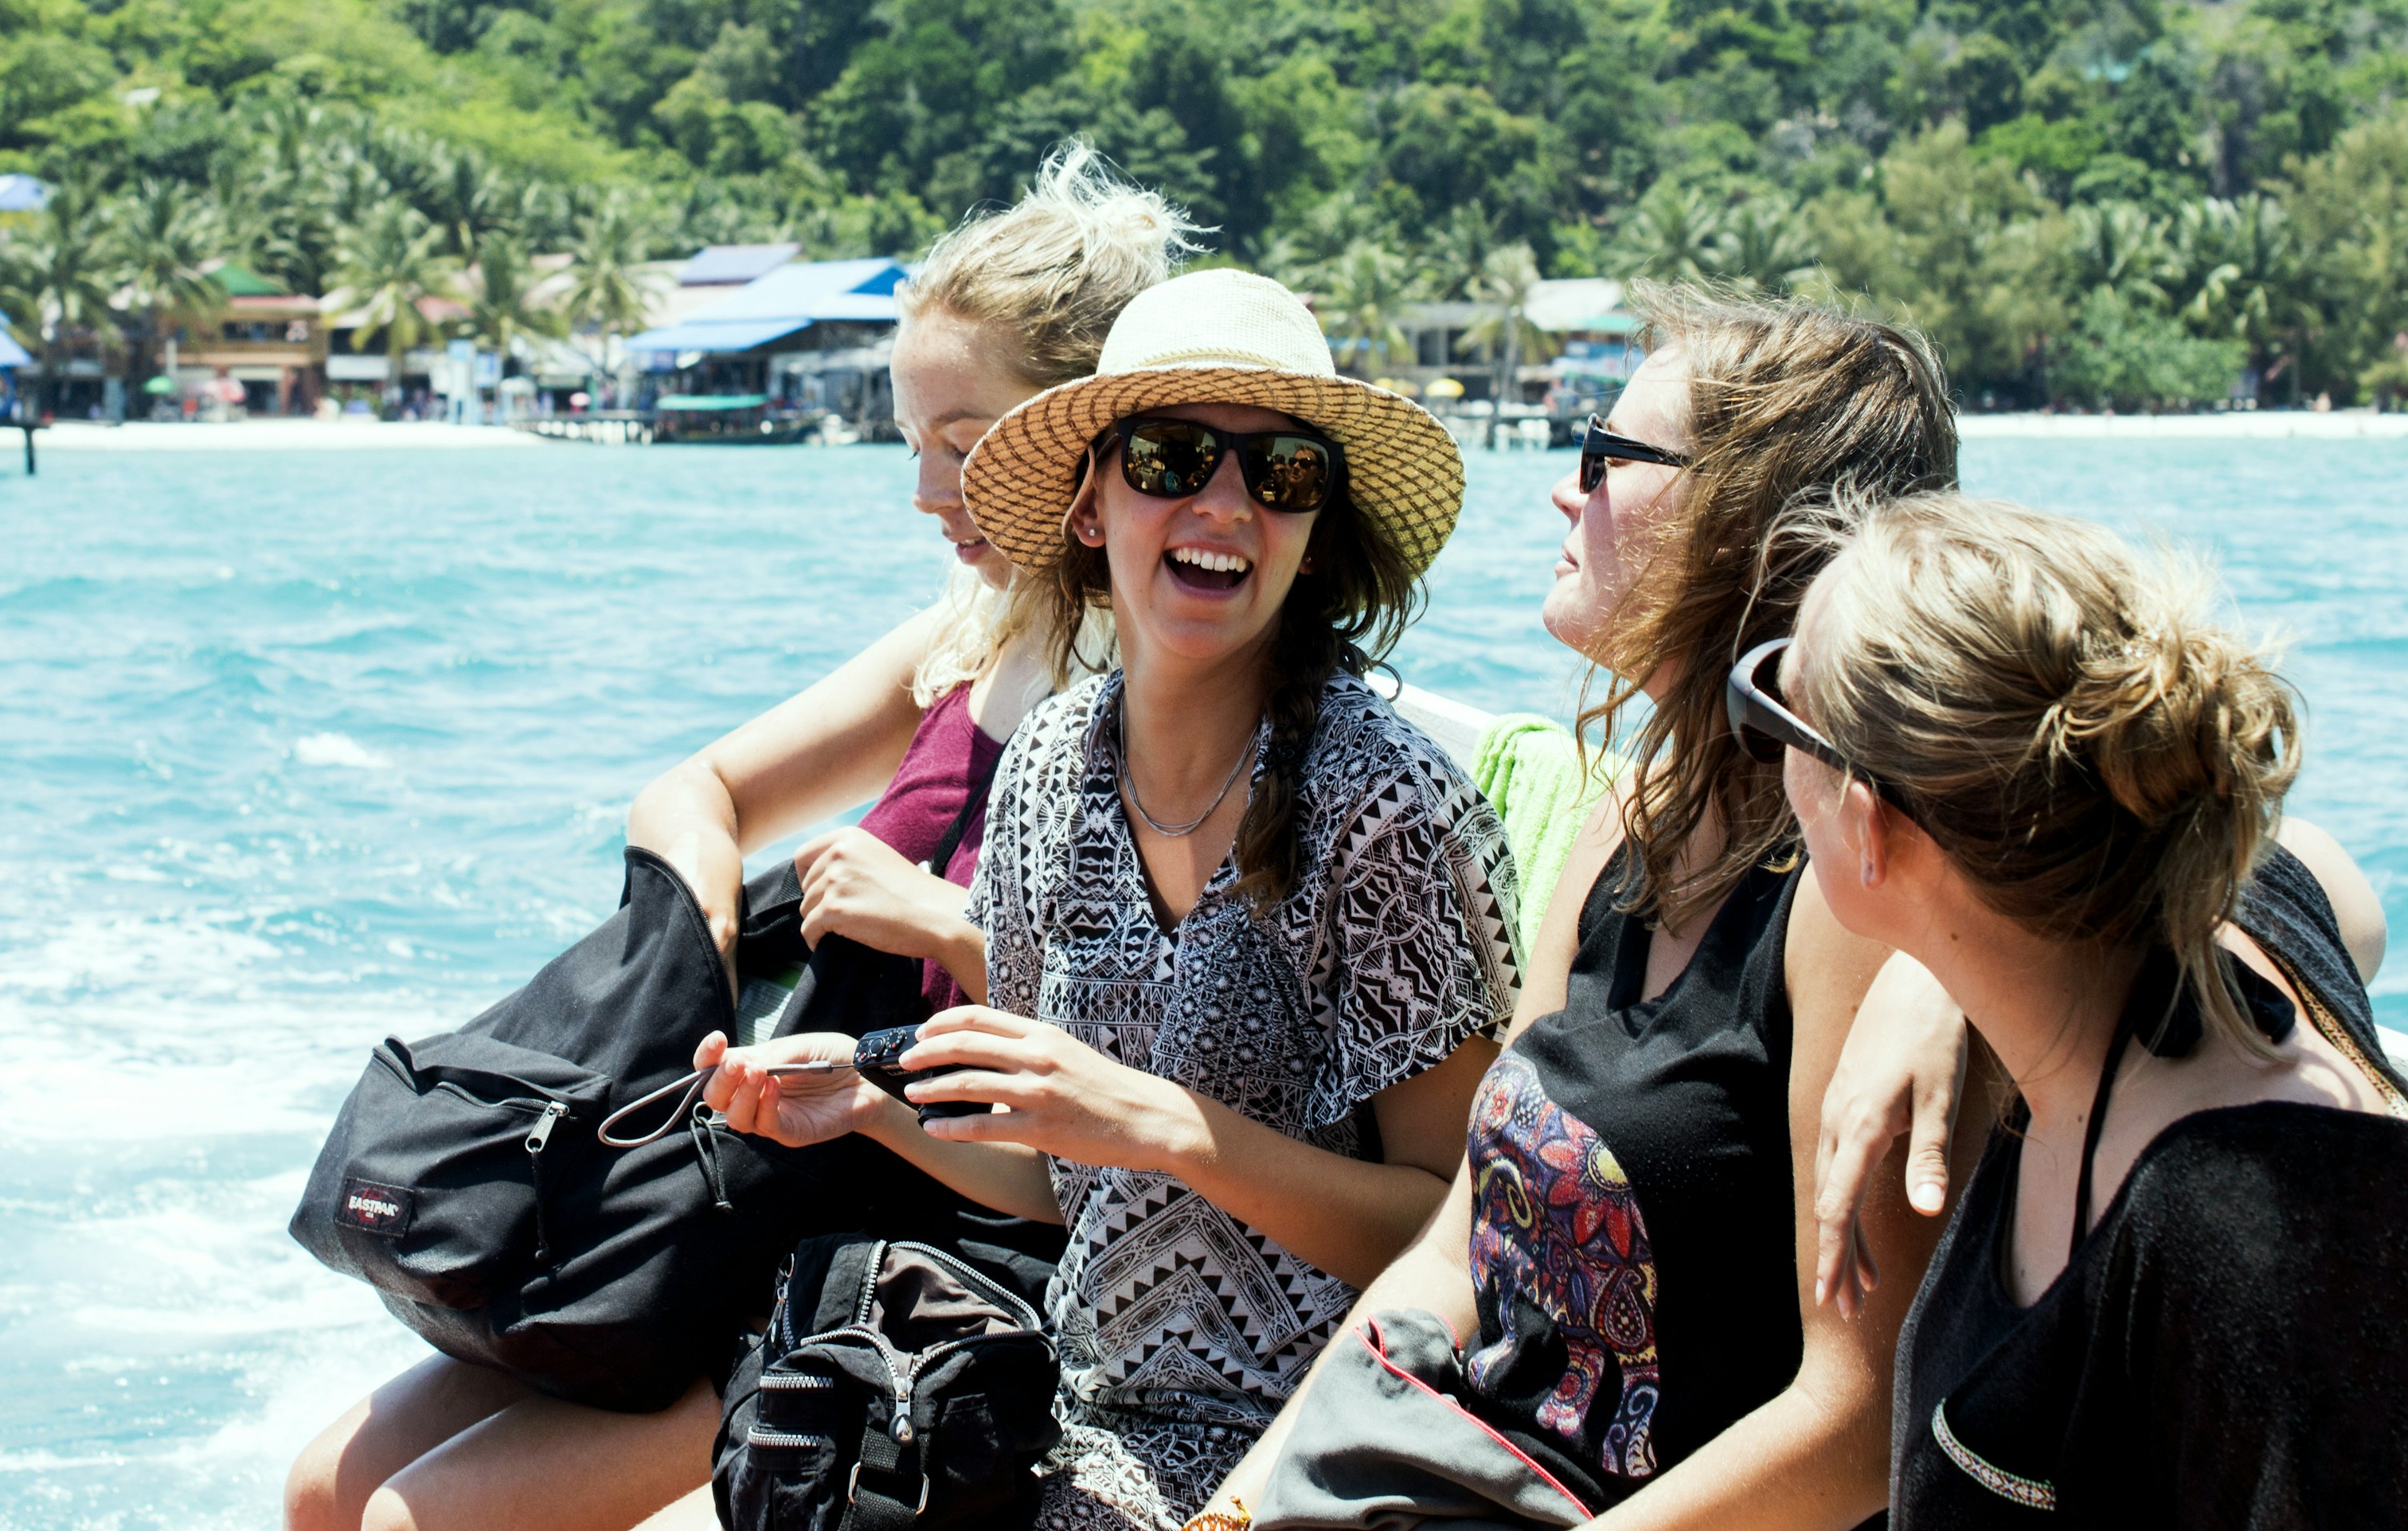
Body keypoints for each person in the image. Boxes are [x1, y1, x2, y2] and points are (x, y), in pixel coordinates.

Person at [282, 144, 1198, 1531]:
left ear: (1078, 437)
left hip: (919, 1237)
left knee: (418, 1520)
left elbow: (1164, 1054)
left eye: (962, 446)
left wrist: (944, 925)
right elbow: (692, 790)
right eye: (912, 445)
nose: (925, 491)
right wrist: (690, 956)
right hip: (744, 1186)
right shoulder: (963, 645)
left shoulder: (1167, 697)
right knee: (320, 1486)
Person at [707, 267, 1519, 1531]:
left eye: (1280, 473)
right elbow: (1059, 1177)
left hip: (1333, 1447)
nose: (1225, 504)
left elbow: (1457, 1237)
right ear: (1093, 501)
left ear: (1317, 531)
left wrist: (1160, 1122)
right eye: (1174, 455)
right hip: (1085, 1420)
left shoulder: (1388, 809)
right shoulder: (1044, 772)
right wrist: (871, 1106)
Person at [1198, 284, 1964, 1531]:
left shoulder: (1849, 902)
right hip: (1462, 1469)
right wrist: (1237, 1508)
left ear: (1744, 521)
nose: (1571, 485)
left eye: (1607, 453)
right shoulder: (1631, 818)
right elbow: (1457, 1251)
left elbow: (1858, 1420)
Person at [1761, 497, 2408, 1527]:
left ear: (1869, 825)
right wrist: (1927, 973)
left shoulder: (2246, 1224)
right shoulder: (2157, 928)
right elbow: (2351, 897)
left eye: (1771, 713)